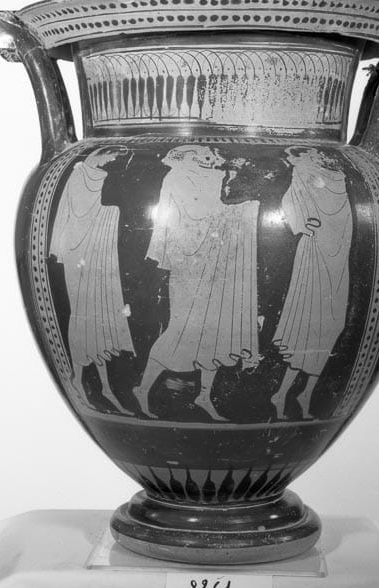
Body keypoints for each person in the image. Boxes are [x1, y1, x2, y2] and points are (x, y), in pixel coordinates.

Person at [133, 145, 260, 421]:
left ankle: (204, 395)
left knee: (214, 331)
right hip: (187, 264)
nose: (205, 157)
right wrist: (238, 205)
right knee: (181, 330)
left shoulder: (211, 176)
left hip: (214, 261)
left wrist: (238, 197)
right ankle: (143, 388)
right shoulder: (176, 178)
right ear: (185, 158)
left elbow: (217, 209)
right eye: (198, 154)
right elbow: (198, 214)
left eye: (206, 154)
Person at [49, 148, 134, 414]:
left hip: (95, 254)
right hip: (79, 256)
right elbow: (77, 220)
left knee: (99, 317)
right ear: (99, 155)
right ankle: (80, 379)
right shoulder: (77, 175)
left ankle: (105, 388)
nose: (111, 162)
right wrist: (111, 212)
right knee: (83, 315)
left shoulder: (96, 174)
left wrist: (110, 212)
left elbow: (93, 213)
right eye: (110, 158)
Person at [271, 147, 352, 419]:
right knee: (307, 328)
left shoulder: (338, 170)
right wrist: (300, 224)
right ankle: (283, 393)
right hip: (315, 255)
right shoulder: (303, 173)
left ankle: (304, 394)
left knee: (332, 325)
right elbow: (288, 201)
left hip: (338, 257)